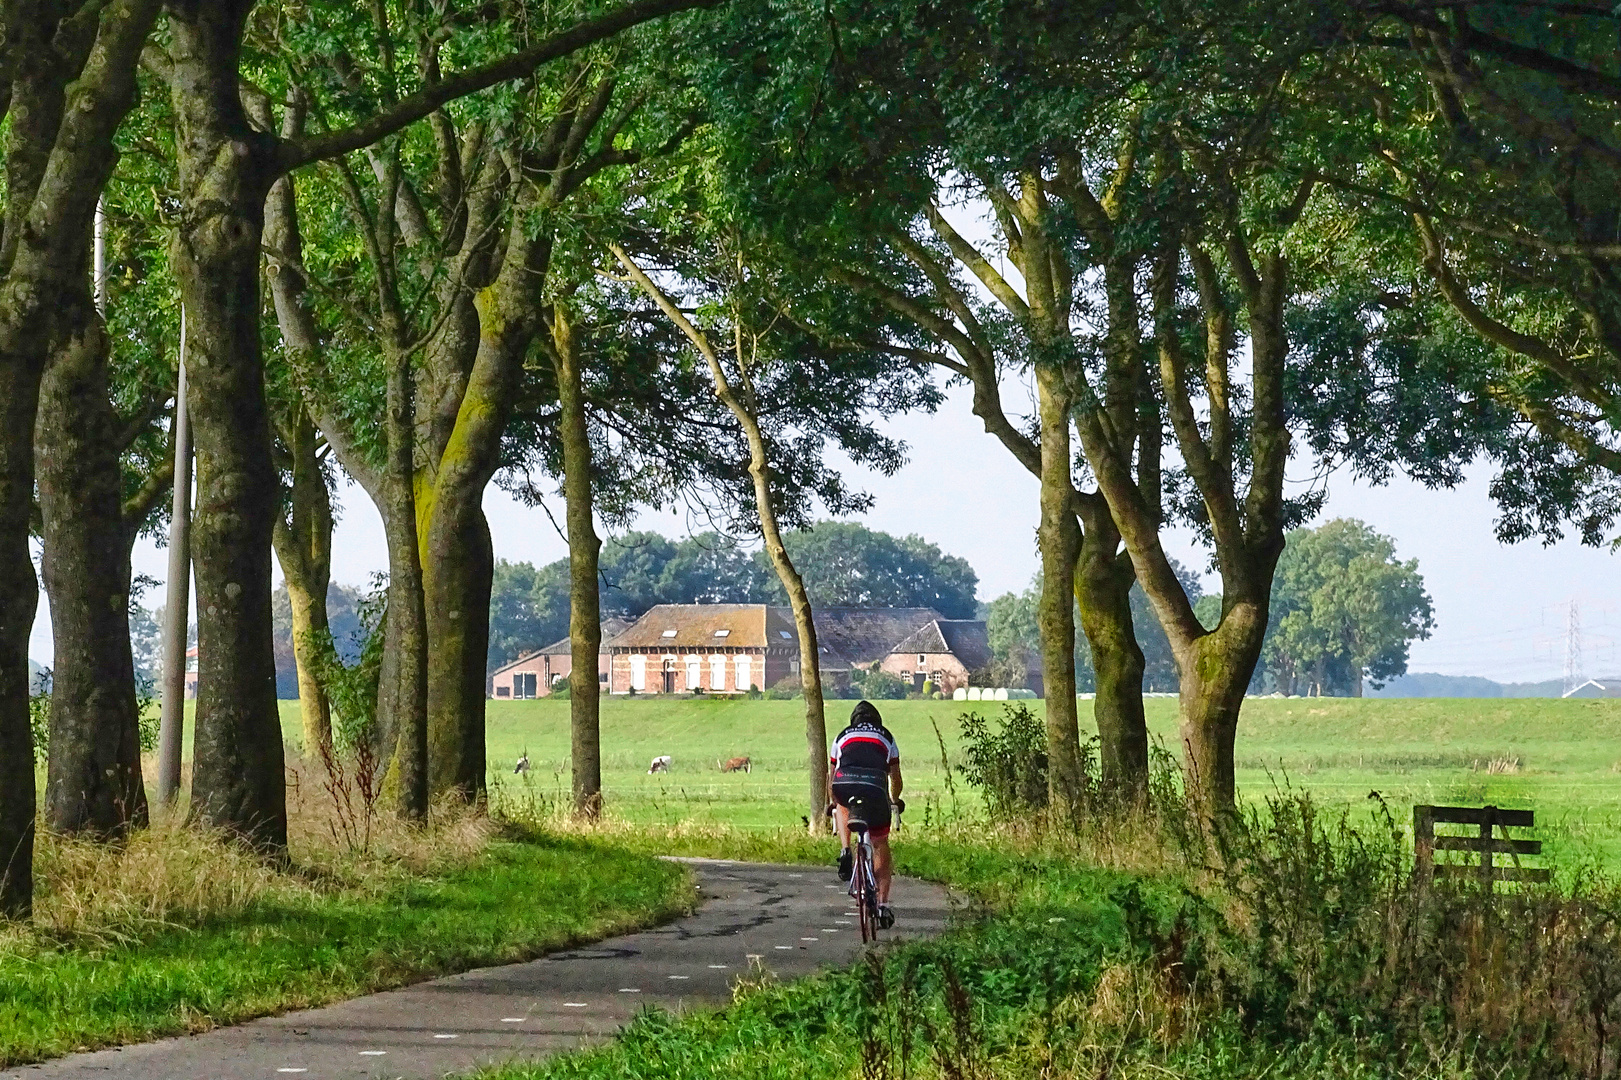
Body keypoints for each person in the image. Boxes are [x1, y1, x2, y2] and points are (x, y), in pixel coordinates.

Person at [828, 700, 904, 929]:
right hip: (875, 787)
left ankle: (845, 850)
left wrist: (832, 802)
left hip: (845, 783)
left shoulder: (842, 736)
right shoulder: (886, 737)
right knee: (880, 843)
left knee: (841, 803)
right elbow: (896, 778)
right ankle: (882, 905)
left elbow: (831, 776)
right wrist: (894, 799)